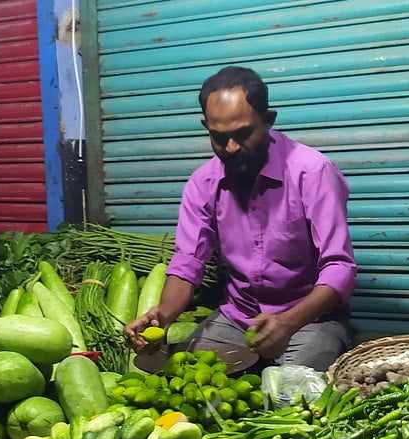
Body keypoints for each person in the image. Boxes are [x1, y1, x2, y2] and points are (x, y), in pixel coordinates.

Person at [126, 66, 358, 371]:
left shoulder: (312, 172)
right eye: (219, 138)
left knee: (292, 396)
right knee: (192, 380)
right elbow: (187, 264)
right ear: (205, 126)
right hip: (238, 318)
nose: (231, 148)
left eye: (243, 134)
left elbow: (339, 267)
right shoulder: (203, 183)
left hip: (310, 319)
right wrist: (163, 316)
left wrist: (288, 322)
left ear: (268, 120)